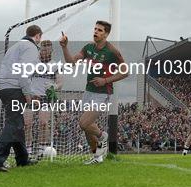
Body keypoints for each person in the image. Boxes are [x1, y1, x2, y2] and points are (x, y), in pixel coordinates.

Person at [60, 20, 128, 164]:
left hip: (103, 93)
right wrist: (65, 47)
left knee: (84, 123)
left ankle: (103, 136)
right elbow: (71, 62)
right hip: (88, 91)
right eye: (95, 29)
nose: (96, 32)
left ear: (107, 34)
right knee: (87, 128)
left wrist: (105, 80)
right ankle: (97, 157)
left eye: (100, 30)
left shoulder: (112, 52)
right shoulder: (88, 48)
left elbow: (125, 72)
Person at [0, 25, 43, 172]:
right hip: (14, 89)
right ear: (37, 36)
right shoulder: (31, 47)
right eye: (40, 39)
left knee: (17, 124)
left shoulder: (16, 46)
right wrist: (28, 94)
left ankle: (22, 160)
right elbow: (24, 72)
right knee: (13, 124)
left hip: (4, 87)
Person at [24, 40, 63, 158]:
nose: (45, 51)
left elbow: (60, 83)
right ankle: (28, 150)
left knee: (43, 123)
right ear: (40, 50)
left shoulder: (56, 65)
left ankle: (41, 150)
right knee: (27, 124)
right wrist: (28, 94)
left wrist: (54, 86)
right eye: (43, 49)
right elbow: (24, 80)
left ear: (51, 51)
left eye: (47, 49)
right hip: (31, 97)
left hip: (46, 98)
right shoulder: (32, 64)